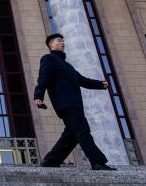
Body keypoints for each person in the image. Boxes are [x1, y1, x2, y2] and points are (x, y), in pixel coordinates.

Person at [34, 33, 116, 171]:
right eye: (59, 40)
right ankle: (97, 162)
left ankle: (51, 160)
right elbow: (43, 78)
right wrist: (38, 96)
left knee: (72, 134)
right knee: (83, 130)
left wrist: (101, 84)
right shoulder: (48, 59)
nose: (63, 43)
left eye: (63, 41)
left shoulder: (68, 66)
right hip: (66, 104)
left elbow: (83, 80)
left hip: (75, 104)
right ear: (51, 44)